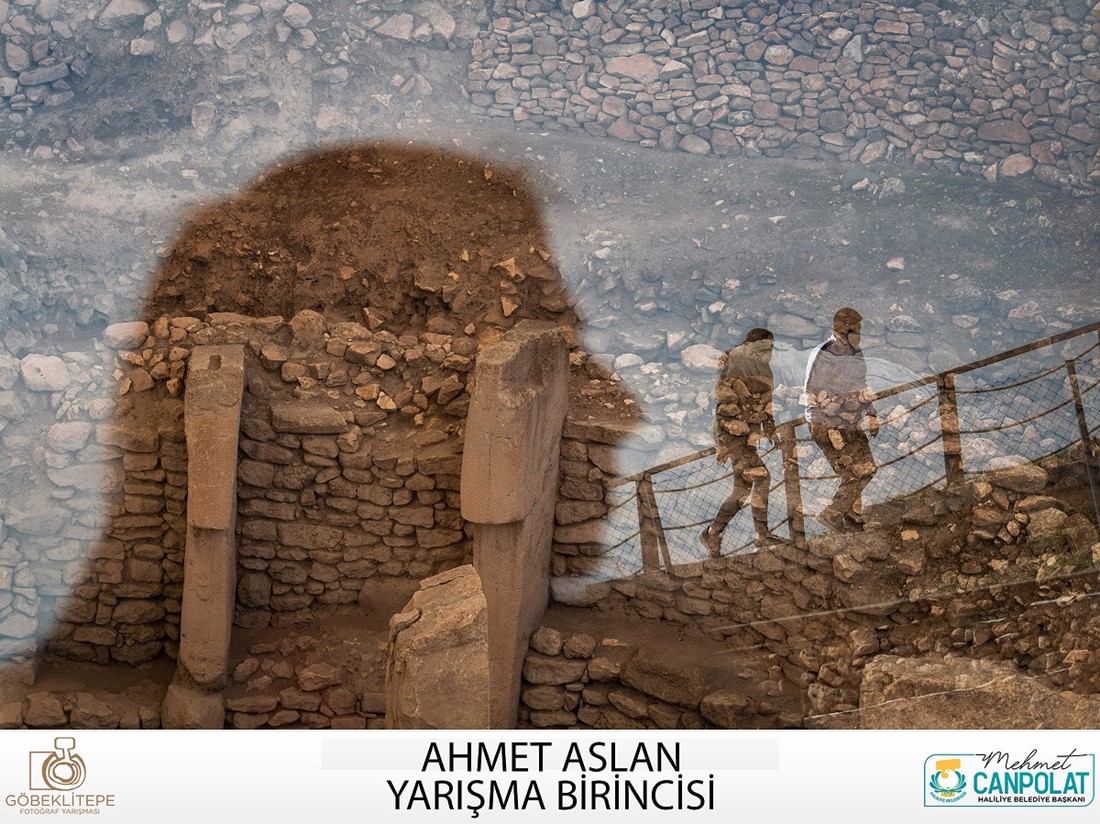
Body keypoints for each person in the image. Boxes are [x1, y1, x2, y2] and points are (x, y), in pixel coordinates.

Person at [701, 327, 783, 558]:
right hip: (734, 436)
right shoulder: (734, 364)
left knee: (742, 490)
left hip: (747, 437)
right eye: (762, 347)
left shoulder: (764, 369)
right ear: (749, 345)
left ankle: (713, 532)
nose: (767, 352)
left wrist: (770, 430)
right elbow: (721, 409)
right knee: (762, 477)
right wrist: (721, 444)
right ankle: (760, 534)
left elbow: (766, 405)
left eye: (770, 348)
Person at [803, 307, 880, 532]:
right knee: (857, 472)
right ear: (840, 330)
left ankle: (851, 519)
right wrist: (826, 429)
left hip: (849, 422)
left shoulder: (856, 352)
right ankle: (833, 515)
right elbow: (811, 394)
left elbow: (860, 387)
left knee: (864, 469)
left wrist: (871, 412)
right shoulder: (824, 354)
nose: (859, 333)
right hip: (828, 424)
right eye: (856, 329)